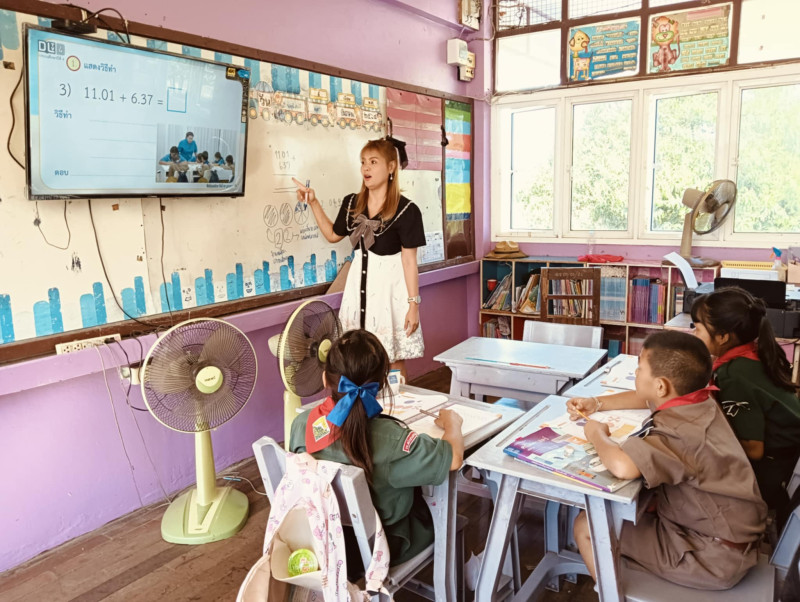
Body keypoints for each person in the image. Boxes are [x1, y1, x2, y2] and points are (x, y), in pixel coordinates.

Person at [569, 331, 766, 590]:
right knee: (634, 506)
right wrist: (596, 403)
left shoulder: (679, 433)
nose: (636, 373)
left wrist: (596, 433)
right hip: (728, 536)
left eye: (640, 368)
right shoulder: (700, 399)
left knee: (586, 525)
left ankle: (611, 595)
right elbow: (646, 396)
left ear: (661, 386)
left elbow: (622, 466)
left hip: (710, 557)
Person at [289, 329, 464, 567]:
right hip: (384, 545)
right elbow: (453, 459)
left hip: (324, 543)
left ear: (325, 380)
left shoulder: (301, 425)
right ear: (381, 384)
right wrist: (453, 424)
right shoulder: (392, 440)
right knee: (449, 516)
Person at [293, 138, 426, 380]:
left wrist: (413, 305)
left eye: (373, 162)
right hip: (357, 292)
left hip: (389, 294)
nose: (366, 168)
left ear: (391, 167)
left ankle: (397, 403)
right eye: (363, 162)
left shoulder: (407, 211)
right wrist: (313, 202)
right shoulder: (352, 203)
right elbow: (333, 234)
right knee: (355, 357)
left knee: (392, 358)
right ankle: (363, 403)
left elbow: (409, 262)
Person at [691, 286, 800, 528]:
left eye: (697, 328)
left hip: (774, 471)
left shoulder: (734, 375)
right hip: (788, 459)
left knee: (693, 474)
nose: (693, 333)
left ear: (722, 337)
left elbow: (753, 450)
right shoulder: (752, 353)